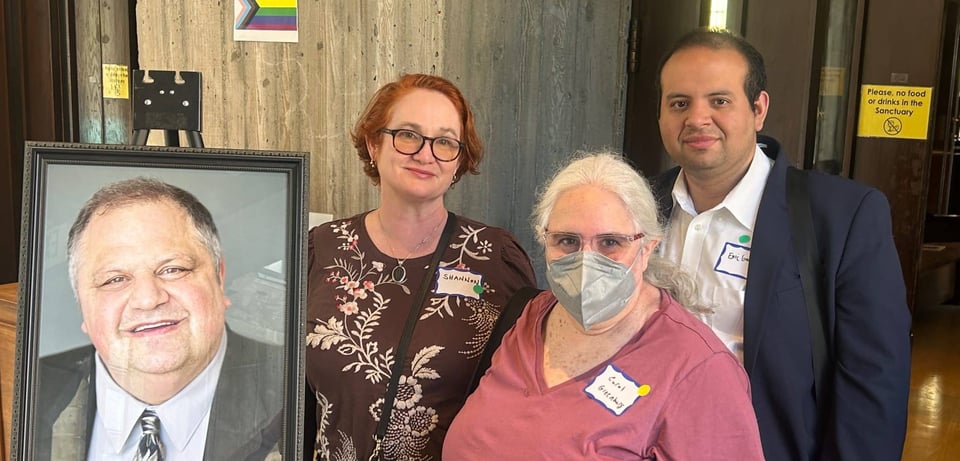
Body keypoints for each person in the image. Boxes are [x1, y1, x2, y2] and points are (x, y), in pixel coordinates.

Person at [653, 28, 912, 460]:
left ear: (758, 109)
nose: (697, 119)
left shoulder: (843, 215)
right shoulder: (637, 208)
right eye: (679, 103)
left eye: (719, 101)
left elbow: (874, 385)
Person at [443, 151, 764, 460]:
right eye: (567, 240)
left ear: (648, 248)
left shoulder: (699, 370)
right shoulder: (532, 317)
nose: (586, 261)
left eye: (610, 242)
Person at [304, 73, 537, 460]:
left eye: (445, 141)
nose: (426, 153)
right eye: (409, 135)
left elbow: (525, 391)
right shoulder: (321, 248)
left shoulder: (495, 259)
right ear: (373, 144)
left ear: (459, 160)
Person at [35, 177, 283, 460]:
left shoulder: (298, 391)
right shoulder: (32, 393)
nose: (148, 299)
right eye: (115, 279)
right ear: (81, 305)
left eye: (173, 269)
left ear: (220, 278)